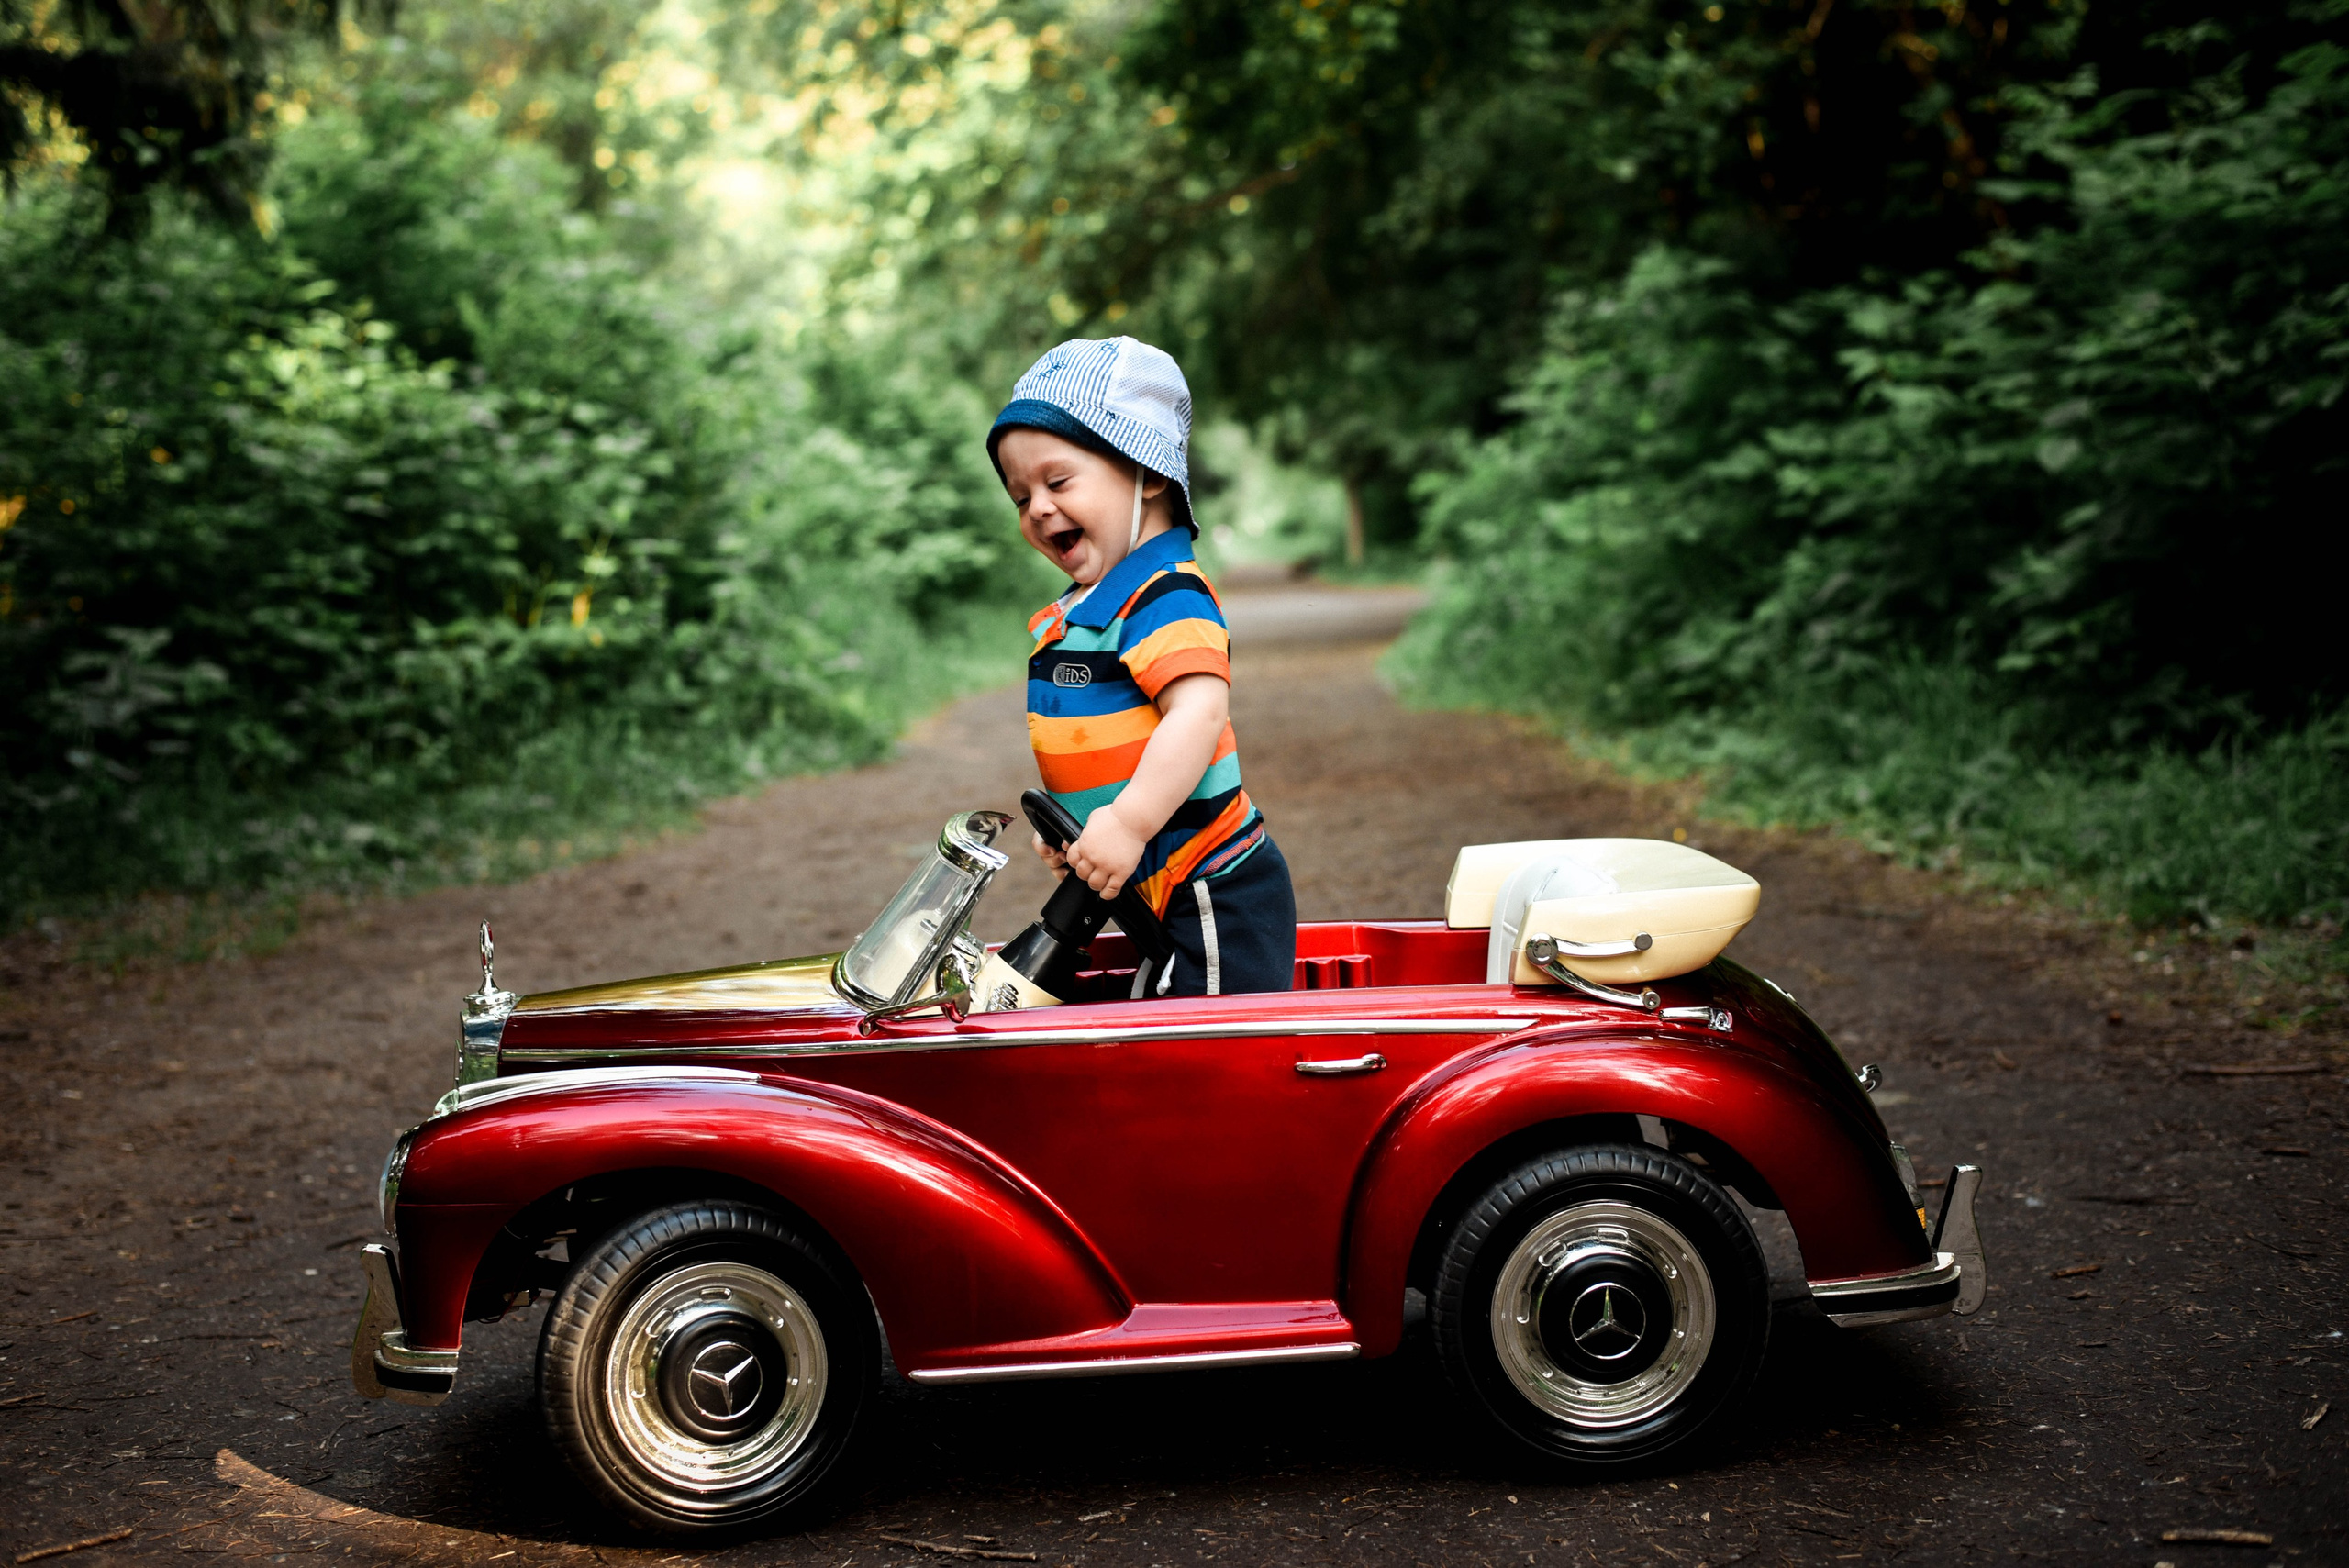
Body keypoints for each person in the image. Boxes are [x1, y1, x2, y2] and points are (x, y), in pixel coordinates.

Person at [988, 336, 1297, 997]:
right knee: (1147, 1025)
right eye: (1020, 497)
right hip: (1149, 889)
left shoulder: (1165, 594)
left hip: (1211, 885)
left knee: (1206, 1049)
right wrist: (1080, 830)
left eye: (1058, 480)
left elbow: (1197, 713)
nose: (1038, 507)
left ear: (1146, 471)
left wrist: (1126, 823)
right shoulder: (1087, 609)